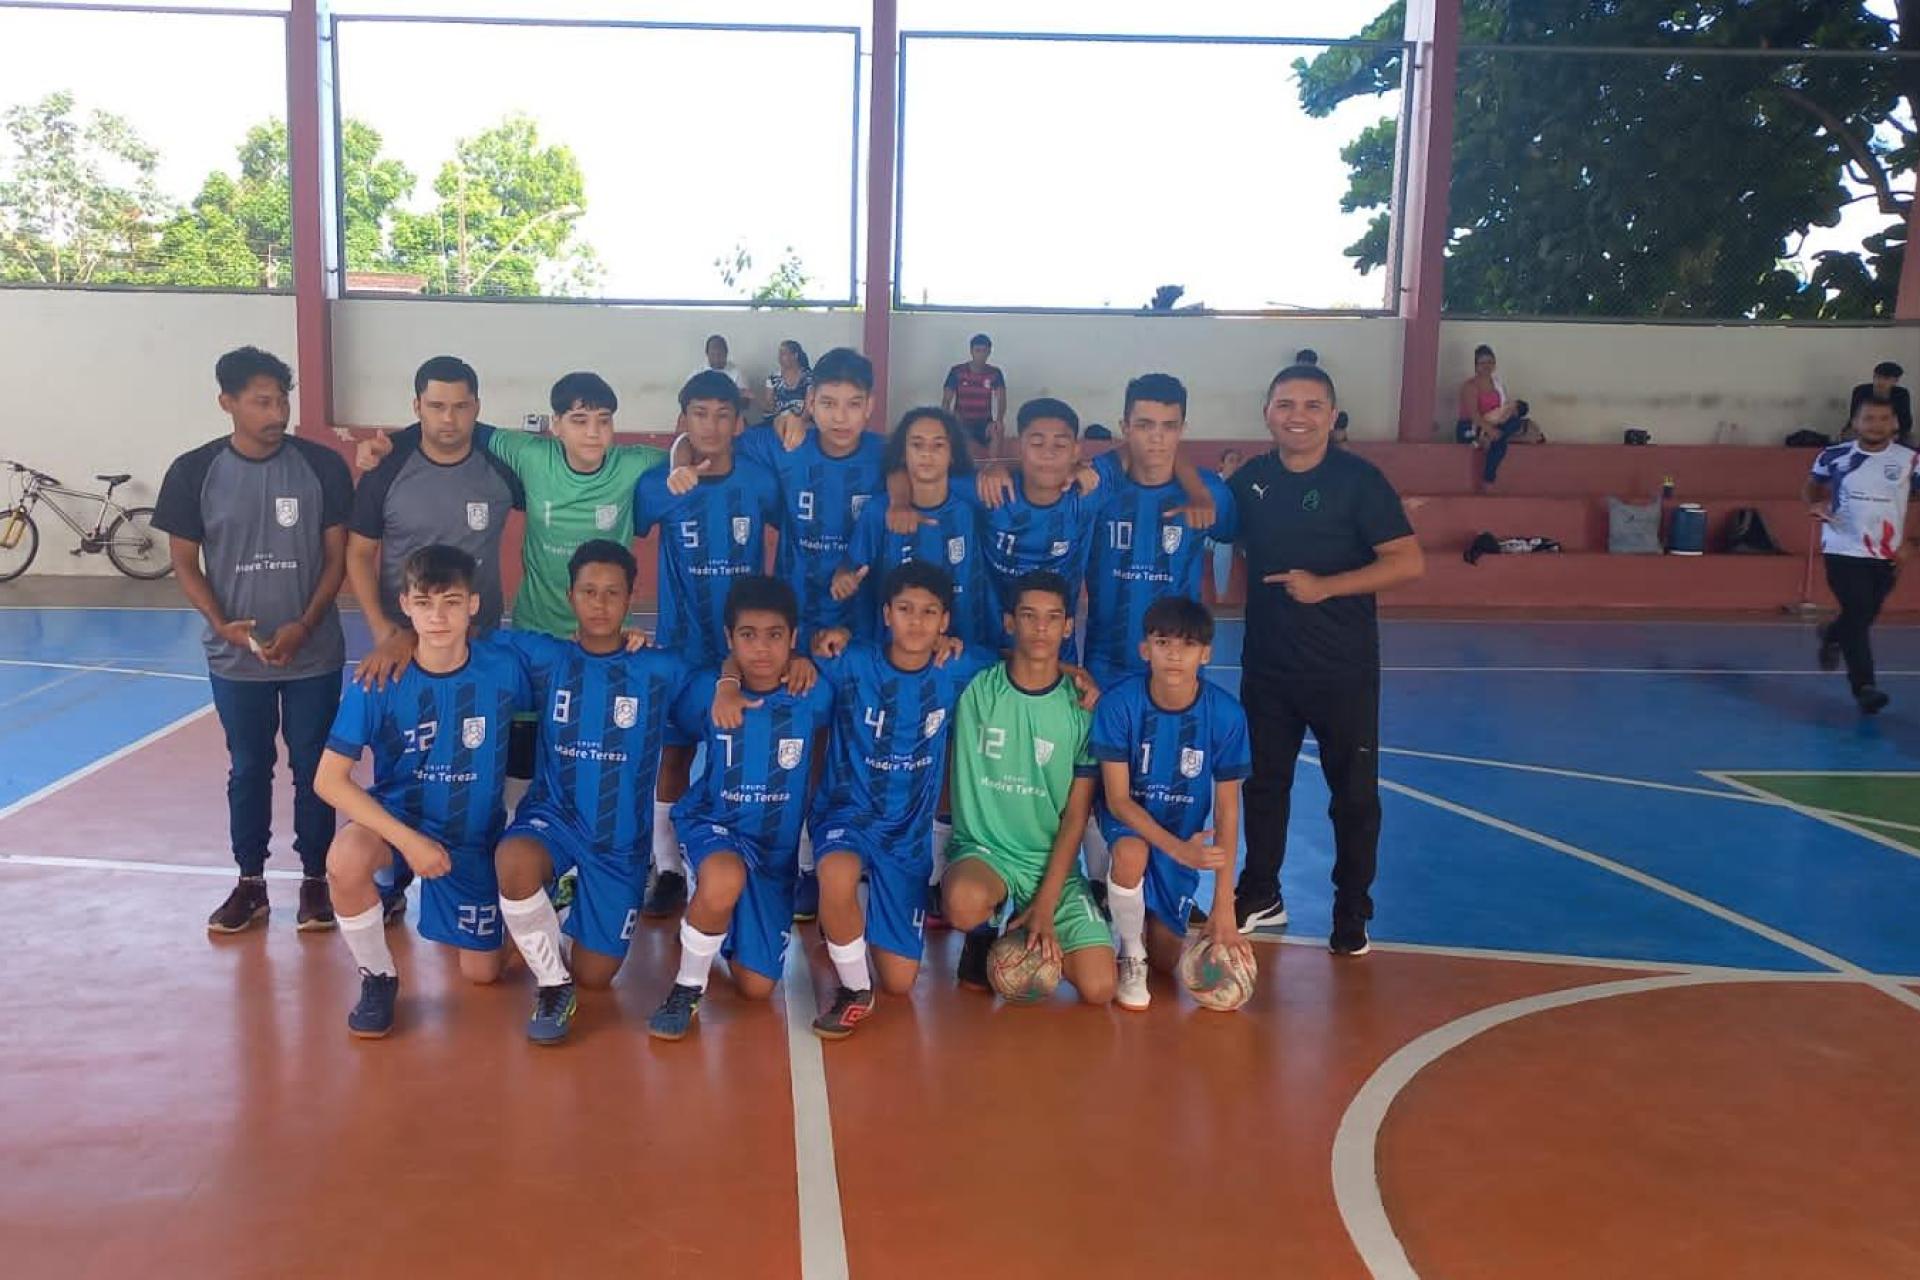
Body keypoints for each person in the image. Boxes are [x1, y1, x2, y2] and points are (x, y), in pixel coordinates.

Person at [154, 346, 353, 936]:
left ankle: (316, 880)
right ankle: (251, 883)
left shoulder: (322, 466)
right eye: (262, 401)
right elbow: (185, 563)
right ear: (228, 403)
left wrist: (304, 624)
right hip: (236, 660)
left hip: (312, 653)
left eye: (282, 399)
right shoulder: (194, 471)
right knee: (249, 767)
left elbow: (338, 557)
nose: (277, 411)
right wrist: (220, 623)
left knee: (315, 766)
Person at [1230, 363, 1424, 957]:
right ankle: (1261, 892)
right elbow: (1207, 521)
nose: (1298, 416)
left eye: (1312, 406)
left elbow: (1406, 560)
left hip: (1343, 669)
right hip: (1268, 666)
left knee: (1355, 795)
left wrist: (1326, 586)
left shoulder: (1359, 481)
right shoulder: (1250, 481)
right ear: (1267, 413)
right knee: (1263, 786)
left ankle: (1351, 909)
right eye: (1285, 404)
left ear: (1333, 417)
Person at [316, 546, 534, 1037]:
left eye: (452, 602)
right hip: (401, 825)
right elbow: (327, 779)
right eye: (425, 602)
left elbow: (579, 660)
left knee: (483, 975)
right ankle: (378, 977)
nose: (438, 616)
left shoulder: (503, 665)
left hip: (471, 837)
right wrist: (410, 842)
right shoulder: (378, 680)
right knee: (345, 860)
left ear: (473, 605)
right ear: (406, 605)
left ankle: (520, 915)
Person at [491, 541, 692, 1044]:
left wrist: (732, 677)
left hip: (618, 840)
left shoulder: (659, 668)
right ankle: (552, 986)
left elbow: (724, 685)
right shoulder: (545, 657)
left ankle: (560, 907)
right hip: (553, 818)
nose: (599, 604)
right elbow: (462, 640)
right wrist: (399, 641)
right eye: (588, 592)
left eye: (612, 593)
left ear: (631, 599)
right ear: (570, 596)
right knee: (513, 858)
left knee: (595, 975)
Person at [346, 355, 522, 923]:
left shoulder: (501, 465)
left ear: (478, 409)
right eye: (436, 406)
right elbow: (359, 552)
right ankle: (392, 869)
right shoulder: (388, 469)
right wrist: (385, 632)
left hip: (481, 646)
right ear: (416, 406)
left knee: (477, 765)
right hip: (410, 647)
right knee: (405, 763)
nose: (449, 419)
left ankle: (484, 865)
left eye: (461, 406)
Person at [803, 562, 997, 1037]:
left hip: (905, 835)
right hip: (846, 815)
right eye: (905, 609)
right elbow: (799, 651)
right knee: (836, 871)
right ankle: (853, 990)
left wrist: (1076, 673)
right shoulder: (853, 660)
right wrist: (812, 644)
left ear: (945, 622)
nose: (916, 621)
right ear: (886, 614)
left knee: (900, 982)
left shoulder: (959, 668)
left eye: (929, 612)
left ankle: (843, 917)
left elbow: (1024, 667)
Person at [646, 576, 837, 1040]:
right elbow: (670, 746)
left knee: (756, 988)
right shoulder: (706, 693)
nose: (762, 648)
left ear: (793, 639)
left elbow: (818, 761)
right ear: (730, 639)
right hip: (715, 823)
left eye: (775, 636)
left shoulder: (814, 694)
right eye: (747, 636)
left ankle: (707, 916)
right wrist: (726, 679)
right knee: (724, 876)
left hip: (773, 850)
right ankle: (686, 987)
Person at [634, 370, 782, 920]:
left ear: (738, 424)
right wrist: (674, 464)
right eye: (700, 414)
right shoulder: (658, 486)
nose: (712, 426)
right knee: (674, 757)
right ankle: (668, 868)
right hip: (680, 650)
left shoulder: (760, 482)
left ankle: (735, 865)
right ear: (683, 420)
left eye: (723, 415)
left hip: (747, 654)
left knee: (741, 759)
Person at [941, 571, 1116, 1006]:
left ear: (1068, 626)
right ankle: (982, 936)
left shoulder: (1083, 710)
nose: (1041, 628)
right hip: (984, 854)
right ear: (1009, 622)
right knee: (964, 902)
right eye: (1028, 616)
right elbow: (911, 646)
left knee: (1099, 989)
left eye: (1053, 618)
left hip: (1049, 861)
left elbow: (1076, 817)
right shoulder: (975, 682)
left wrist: (1045, 903)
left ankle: (1027, 925)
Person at [1090, 596, 1251, 1011]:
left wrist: (1224, 908)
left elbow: (1228, 809)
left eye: (1188, 645)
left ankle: (1129, 914)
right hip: (1131, 825)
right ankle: (1129, 951)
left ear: (1206, 653)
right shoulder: (1119, 704)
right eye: (1163, 643)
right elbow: (1118, 800)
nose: (1175, 655)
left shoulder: (1227, 715)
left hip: (1183, 834)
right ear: (1146, 650)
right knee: (1130, 853)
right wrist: (1182, 850)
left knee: (1168, 962)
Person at [1081, 373, 1236, 691]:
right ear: (1125, 427)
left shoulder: (1210, 493)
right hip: (1104, 666)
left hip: (1177, 667)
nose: (1157, 438)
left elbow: (1233, 535)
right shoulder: (1099, 486)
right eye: (1144, 425)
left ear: (1183, 429)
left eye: (1169, 426)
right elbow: (1048, 474)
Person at [833, 406, 998, 649]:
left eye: (938, 445)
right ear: (903, 454)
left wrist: (998, 469)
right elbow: (852, 567)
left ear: (952, 453)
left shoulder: (972, 507)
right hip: (894, 653)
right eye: (917, 445)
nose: (927, 454)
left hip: (960, 647)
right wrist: (843, 579)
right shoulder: (879, 511)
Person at [1807, 394, 1917, 715]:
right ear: (1855, 423)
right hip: (1842, 546)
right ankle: (1865, 687)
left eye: (1883, 419)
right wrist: (1815, 503)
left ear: (1894, 423)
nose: (1876, 425)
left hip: (1886, 554)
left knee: (1864, 613)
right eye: (1869, 419)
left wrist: (1914, 543)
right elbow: (1812, 487)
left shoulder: (1910, 459)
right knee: (1858, 610)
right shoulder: (1834, 455)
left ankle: (1832, 632)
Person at [1456, 344, 1543, 485]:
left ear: (1495, 364)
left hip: (1492, 426)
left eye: (1490, 362)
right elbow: (1474, 415)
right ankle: (1488, 478)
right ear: (1476, 365)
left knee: (1514, 422)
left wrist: (1510, 413)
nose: (1486, 366)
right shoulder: (1470, 386)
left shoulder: (1497, 385)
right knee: (1500, 441)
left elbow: (1502, 412)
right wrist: (1490, 430)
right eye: (1482, 363)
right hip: (1470, 428)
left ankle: (1488, 441)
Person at [942, 333, 1007, 454]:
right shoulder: (957, 371)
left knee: (997, 430)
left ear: (989, 352)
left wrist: (998, 420)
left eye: (984, 351)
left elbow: (1001, 399)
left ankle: (991, 468)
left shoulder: (995, 373)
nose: (981, 355)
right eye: (977, 351)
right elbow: (946, 401)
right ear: (971, 351)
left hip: (984, 422)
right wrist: (949, 421)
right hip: (961, 421)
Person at [1847, 361, 1913, 444]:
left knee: (1909, 441)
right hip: (1863, 427)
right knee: (1848, 439)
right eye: (1877, 377)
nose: (1880, 382)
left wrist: (1896, 433)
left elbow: (1905, 421)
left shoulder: (1901, 394)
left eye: (1886, 379)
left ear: (1895, 381)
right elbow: (1854, 416)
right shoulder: (1860, 391)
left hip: (1890, 429)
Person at [1209, 448, 1245, 601]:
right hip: (1208, 534)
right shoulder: (1211, 484)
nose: (1235, 465)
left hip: (1238, 534)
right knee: (1224, 544)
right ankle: (1221, 598)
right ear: (1221, 465)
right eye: (1231, 460)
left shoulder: (1245, 486)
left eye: (1238, 461)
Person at [758, 339, 813, 427]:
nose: (779, 357)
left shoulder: (809, 378)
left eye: (783, 353)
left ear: (795, 355)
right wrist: (754, 398)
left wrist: (797, 424)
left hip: (802, 422)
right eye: (779, 354)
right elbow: (770, 407)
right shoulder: (773, 379)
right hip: (778, 422)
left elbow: (809, 407)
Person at [689, 333, 751, 400]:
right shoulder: (697, 373)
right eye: (713, 354)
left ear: (726, 353)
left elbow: (745, 402)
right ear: (707, 354)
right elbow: (685, 396)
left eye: (720, 354)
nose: (716, 358)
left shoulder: (737, 373)